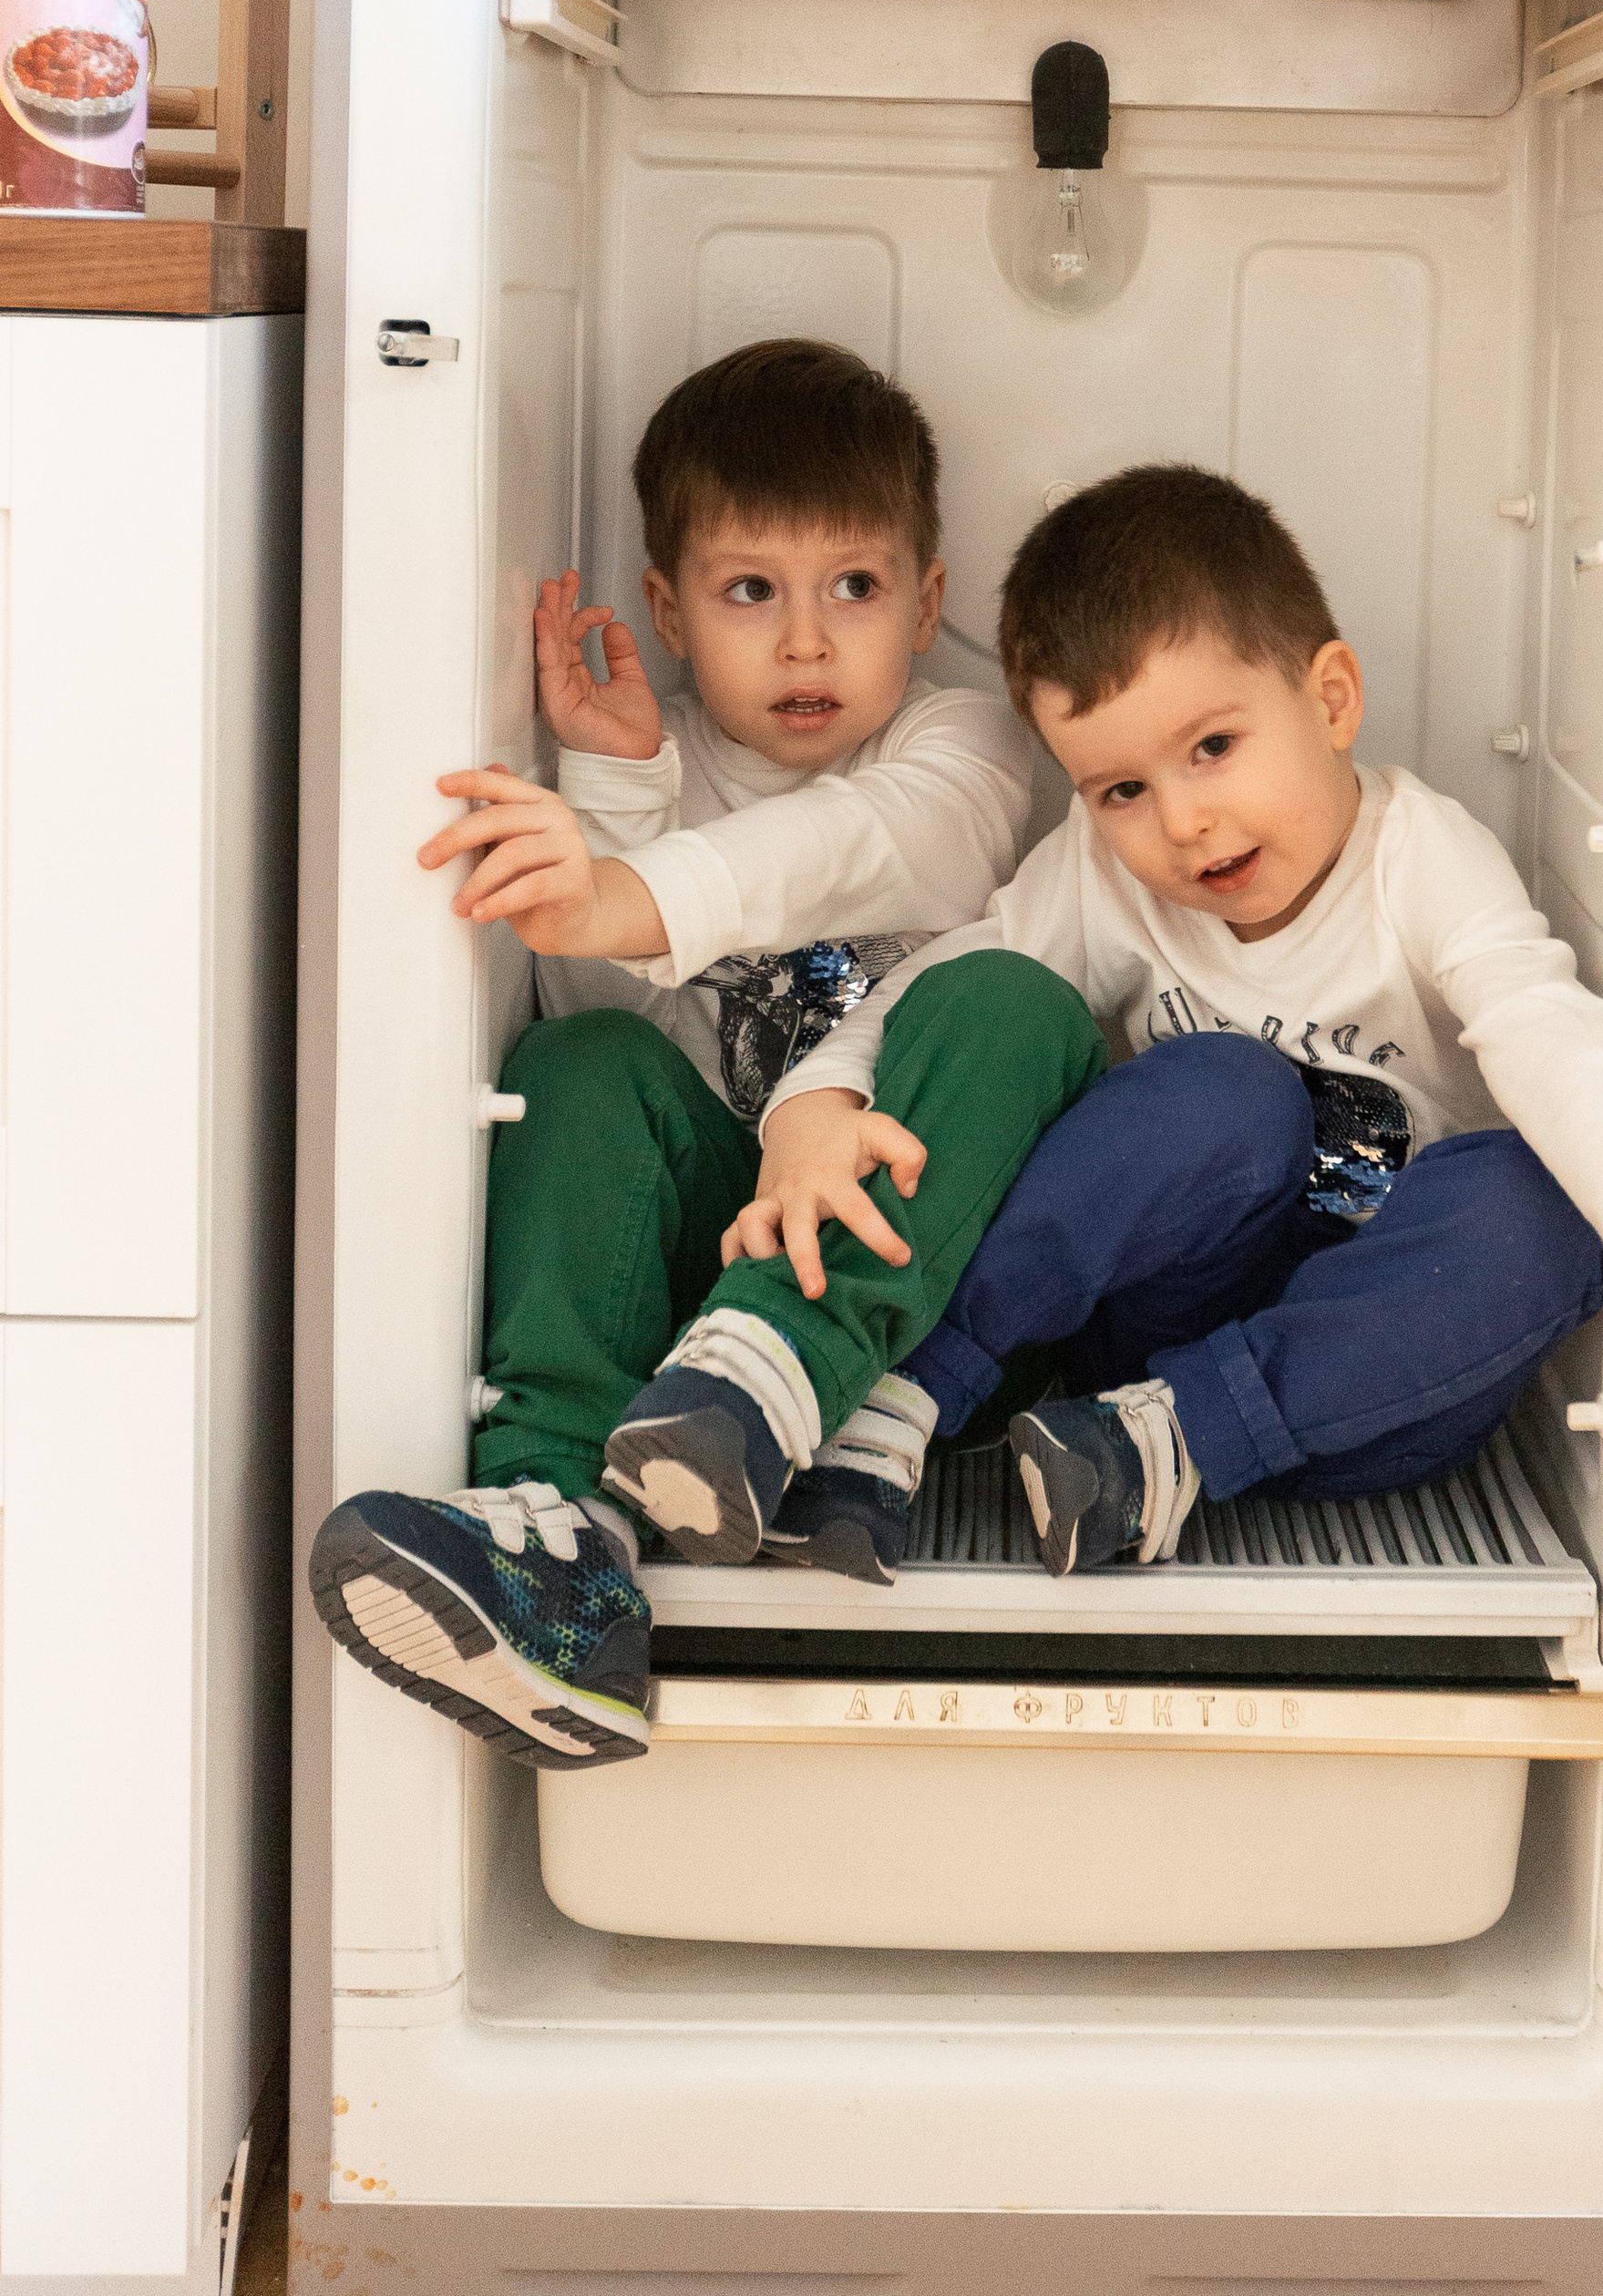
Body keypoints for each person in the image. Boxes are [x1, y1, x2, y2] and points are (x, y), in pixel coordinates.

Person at [754, 465, 1603, 1575]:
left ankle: (1170, 1450)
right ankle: (903, 1398)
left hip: (1370, 1384)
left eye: (1213, 748)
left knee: (1540, 1202)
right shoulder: (1105, 879)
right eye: (1122, 790)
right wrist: (816, 1101)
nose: (1184, 821)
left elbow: (1550, 1035)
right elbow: (958, 983)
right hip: (1138, 1339)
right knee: (1218, 1093)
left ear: (1330, 699)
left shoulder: (1423, 860)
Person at [307, 338, 1067, 1769]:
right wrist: (616, 785)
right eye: (747, 593)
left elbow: (847, 849)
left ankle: (784, 1375)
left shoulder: (966, 742)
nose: (805, 642)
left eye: (856, 588)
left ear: (929, 602)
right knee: (583, 1061)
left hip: (911, 1280)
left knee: (1012, 1004)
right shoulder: (663, 767)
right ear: (668, 607)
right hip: (710, 1293)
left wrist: (625, 880)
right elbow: (612, 998)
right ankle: (557, 1546)